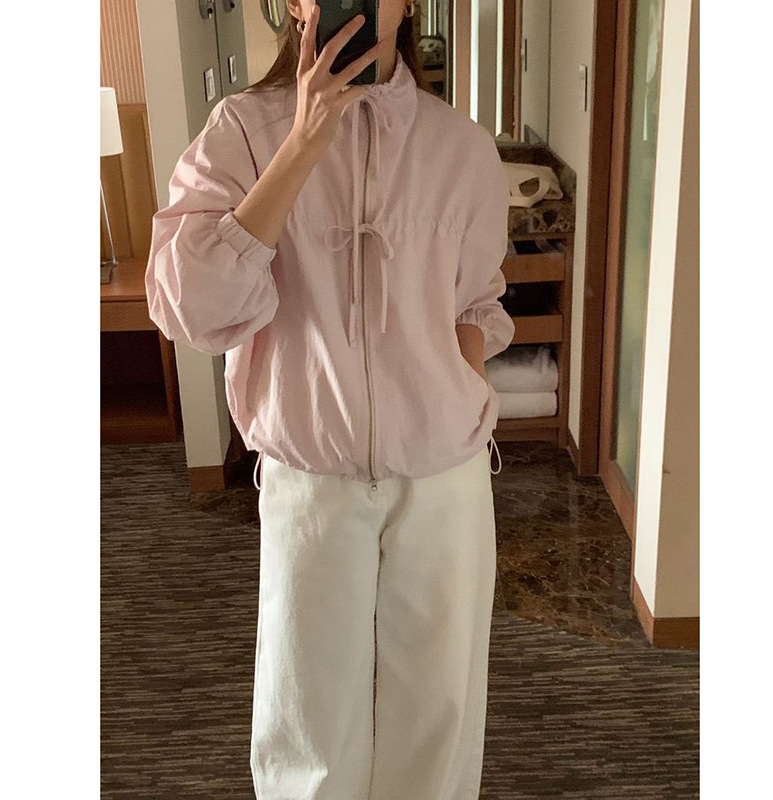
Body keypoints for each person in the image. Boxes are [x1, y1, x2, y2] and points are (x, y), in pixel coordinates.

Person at [145, 0, 514, 796]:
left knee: (441, 714)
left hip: (445, 471)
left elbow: (477, 300)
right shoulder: (241, 133)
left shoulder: (461, 146)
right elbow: (188, 310)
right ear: (295, 4)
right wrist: (303, 144)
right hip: (310, 473)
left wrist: (463, 386)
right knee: (308, 721)